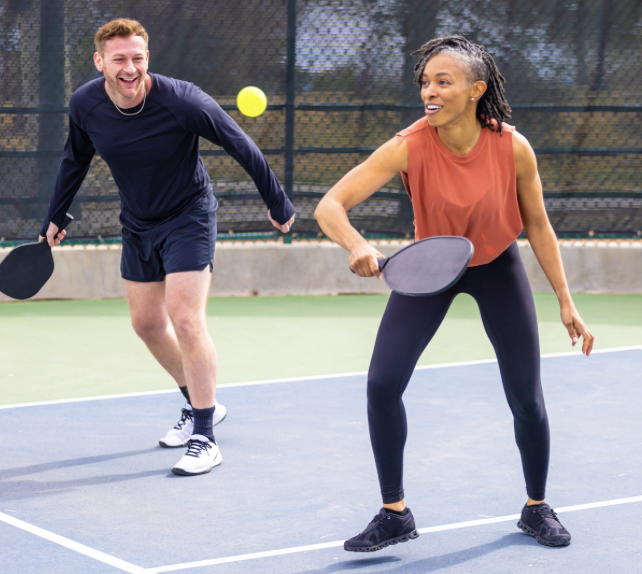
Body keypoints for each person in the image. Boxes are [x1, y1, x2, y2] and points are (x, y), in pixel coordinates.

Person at [315, 36, 593, 551]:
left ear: (475, 90)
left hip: (497, 265)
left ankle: (536, 507)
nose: (430, 91)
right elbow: (330, 205)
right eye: (425, 82)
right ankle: (394, 513)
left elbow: (537, 224)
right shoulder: (408, 144)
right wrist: (356, 244)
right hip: (432, 266)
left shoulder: (512, 147)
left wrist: (565, 299)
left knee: (526, 398)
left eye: (444, 82)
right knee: (382, 385)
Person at [40, 18, 295, 476]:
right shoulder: (86, 104)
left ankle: (205, 437)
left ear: (147, 59)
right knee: (146, 324)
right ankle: (199, 405)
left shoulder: (183, 101)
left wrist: (276, 201)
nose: (130, 68)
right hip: (138, 222)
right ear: (99, 62)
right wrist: (55, 215)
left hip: (188, 216)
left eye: (138, 58)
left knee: (186, 318)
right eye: (119, 59)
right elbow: (75, 157)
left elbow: (240, 144)